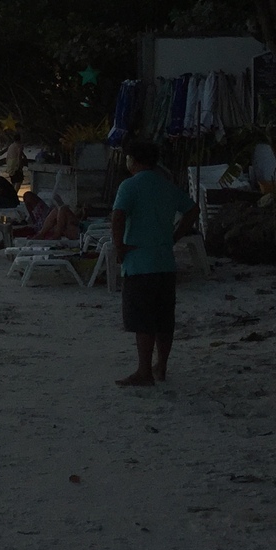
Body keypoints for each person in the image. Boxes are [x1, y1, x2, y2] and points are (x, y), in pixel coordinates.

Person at [111, 138, 199, 387]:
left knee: (143, 320)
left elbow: (118, 217)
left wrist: (119, 247)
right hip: (164, 261)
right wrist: (175, 235)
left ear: (133, 160)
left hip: (139, 261)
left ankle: (144, 370)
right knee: (163, 319)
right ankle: (161, 365)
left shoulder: (129, 186)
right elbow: (193, 210)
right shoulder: (165, 185)